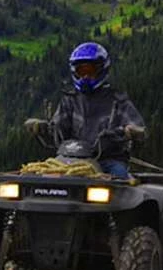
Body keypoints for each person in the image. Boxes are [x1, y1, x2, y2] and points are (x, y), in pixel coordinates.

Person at [35, 42, 145, 179]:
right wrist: (41, 127)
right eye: (81, 72)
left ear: (102, 70)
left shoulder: (118, 100)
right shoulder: (70, 99)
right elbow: (57, 129)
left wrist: (131, 130)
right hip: (69, 159)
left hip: (107, 160)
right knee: (42, 177)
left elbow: (138, 127)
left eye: (90, 71)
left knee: (120, 176)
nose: (85, 77)